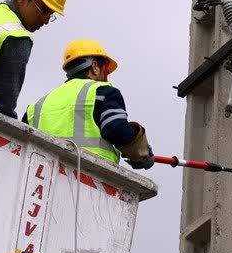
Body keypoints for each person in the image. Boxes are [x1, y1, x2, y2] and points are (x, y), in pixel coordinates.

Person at [23, 40, 154, 169]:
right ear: (95, 67)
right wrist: (141, 153)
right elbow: (117, 129)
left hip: (40, 177)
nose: (107, 76)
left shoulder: (38, 104)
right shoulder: (103, 91)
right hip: (88, 178)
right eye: (106, 70)